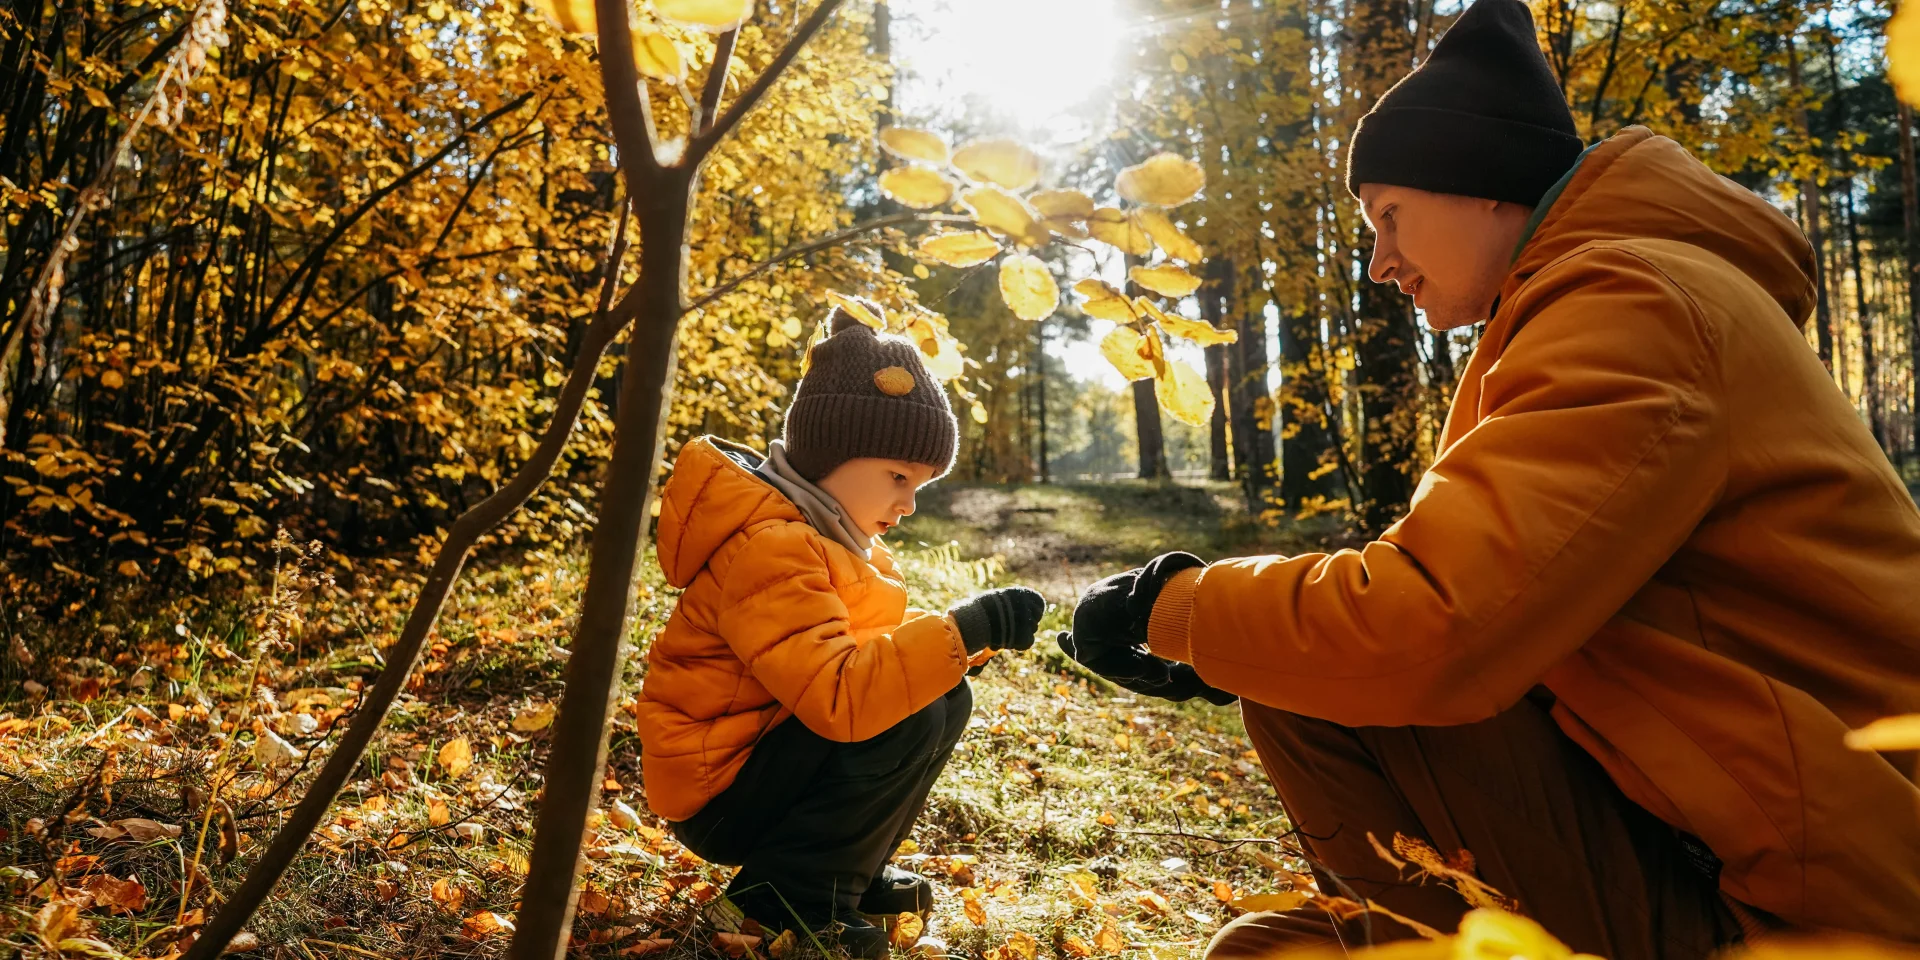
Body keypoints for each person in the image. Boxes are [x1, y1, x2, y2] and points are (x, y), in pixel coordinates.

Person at [1060, 1, 1920, 956]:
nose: (1381, 262)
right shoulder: (1607, 303)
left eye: (1389, 216)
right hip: (1740, 845)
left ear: (1484, 186)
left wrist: (1178, 611)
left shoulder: (1636, 305)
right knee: (1264, 948)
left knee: (1317, 692)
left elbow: (1438, 624)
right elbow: (1528, 624)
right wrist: (1237, 647)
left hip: (1829, 907)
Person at [634, 305, 1047, 959]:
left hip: (765, 756)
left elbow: (852, 652)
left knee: (943, 698)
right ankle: (778, 900)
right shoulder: (772, 547)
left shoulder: (827, 537)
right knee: (903, 716)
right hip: (718, 789)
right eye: (898, 477)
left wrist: (955, 647)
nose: (909, 503)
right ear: (833, 455)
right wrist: (957, 633)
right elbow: (840, 697)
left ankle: (845, 872)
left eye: (921, 484)